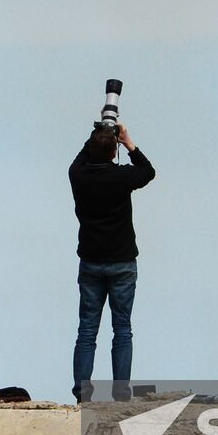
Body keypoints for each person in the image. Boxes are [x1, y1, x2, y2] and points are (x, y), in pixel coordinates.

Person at [69, 123, 156, 402]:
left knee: (87, 330)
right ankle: (121, 391)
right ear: (114, 151)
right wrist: (129, 143)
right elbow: (148, 171)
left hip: (91, 262)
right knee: (122, 328)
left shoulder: (78, 176)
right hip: (122, 262)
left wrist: (95, 135)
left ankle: (83, 392)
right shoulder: (122, 177)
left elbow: (80, 158)